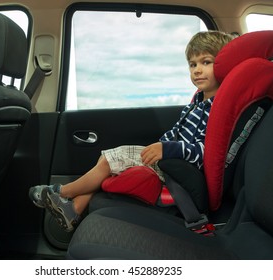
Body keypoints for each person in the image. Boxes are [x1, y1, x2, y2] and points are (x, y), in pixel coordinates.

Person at [29, 30, 234, 231]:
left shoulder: (218, 109)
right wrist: (162, 145)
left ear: (224, 65)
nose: (197, 70)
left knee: (110, 160)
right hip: (170, 162)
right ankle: (73, 209)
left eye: (206, 62)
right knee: (108, 164)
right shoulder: (196, 102)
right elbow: (176, 132)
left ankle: (61, 193)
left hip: (181, 171)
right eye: (192, 64)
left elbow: (206, 152)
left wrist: (167, 149)